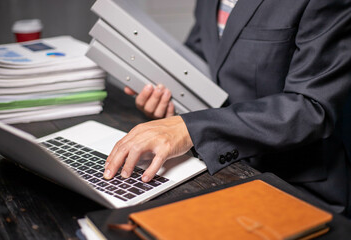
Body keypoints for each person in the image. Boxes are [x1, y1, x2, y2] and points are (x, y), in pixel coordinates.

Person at [104, 0, 351, 216]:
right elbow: (204, 55)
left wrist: (190, 129)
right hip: (221, 169)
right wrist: (167, 98)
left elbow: (311, 107)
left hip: (293, 185)